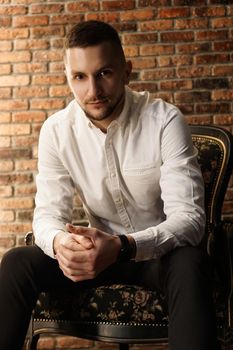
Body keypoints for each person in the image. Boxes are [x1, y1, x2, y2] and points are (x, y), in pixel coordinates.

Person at [0, 20, 219, 350]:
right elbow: (46, 216)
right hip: (95, 261)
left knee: (191, 262)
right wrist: (61, 243)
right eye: (80, 77)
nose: (93, 91)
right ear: (68, 78)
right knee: (17, 261)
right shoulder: (56, 132)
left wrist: (123, 245)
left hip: (157, 258)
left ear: (126, 71)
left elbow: (189, 221)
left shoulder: (165, 121)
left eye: (104, 73)